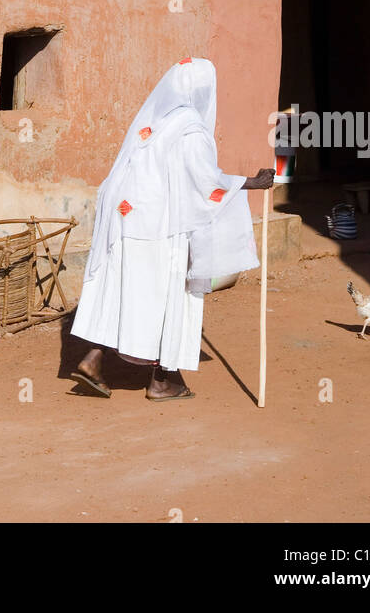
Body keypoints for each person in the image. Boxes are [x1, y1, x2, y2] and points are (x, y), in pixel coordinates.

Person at [71, 56, 273, 401]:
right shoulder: (190, 129)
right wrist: (251, 183)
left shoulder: (151, 124)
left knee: (124, 292)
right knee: (171, 296)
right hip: (161, 227)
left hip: (126, 221)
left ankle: (94, 357)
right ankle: (163, 380)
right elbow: (203, 182)